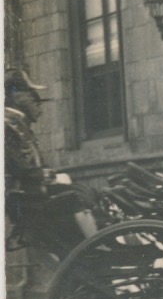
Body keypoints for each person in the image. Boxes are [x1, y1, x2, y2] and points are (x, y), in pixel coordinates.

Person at [4, 67, 98, 240]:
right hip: (24, 198)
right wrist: (51, 176)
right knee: (75, 197)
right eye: (32, 97)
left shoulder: (18, 124)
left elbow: (35, 163)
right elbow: (20, 168)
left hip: (31, 193)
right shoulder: (8, 127)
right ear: (17, 96)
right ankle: (97, 243)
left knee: (85, 191)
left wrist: (53, 175)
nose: (38, 105)